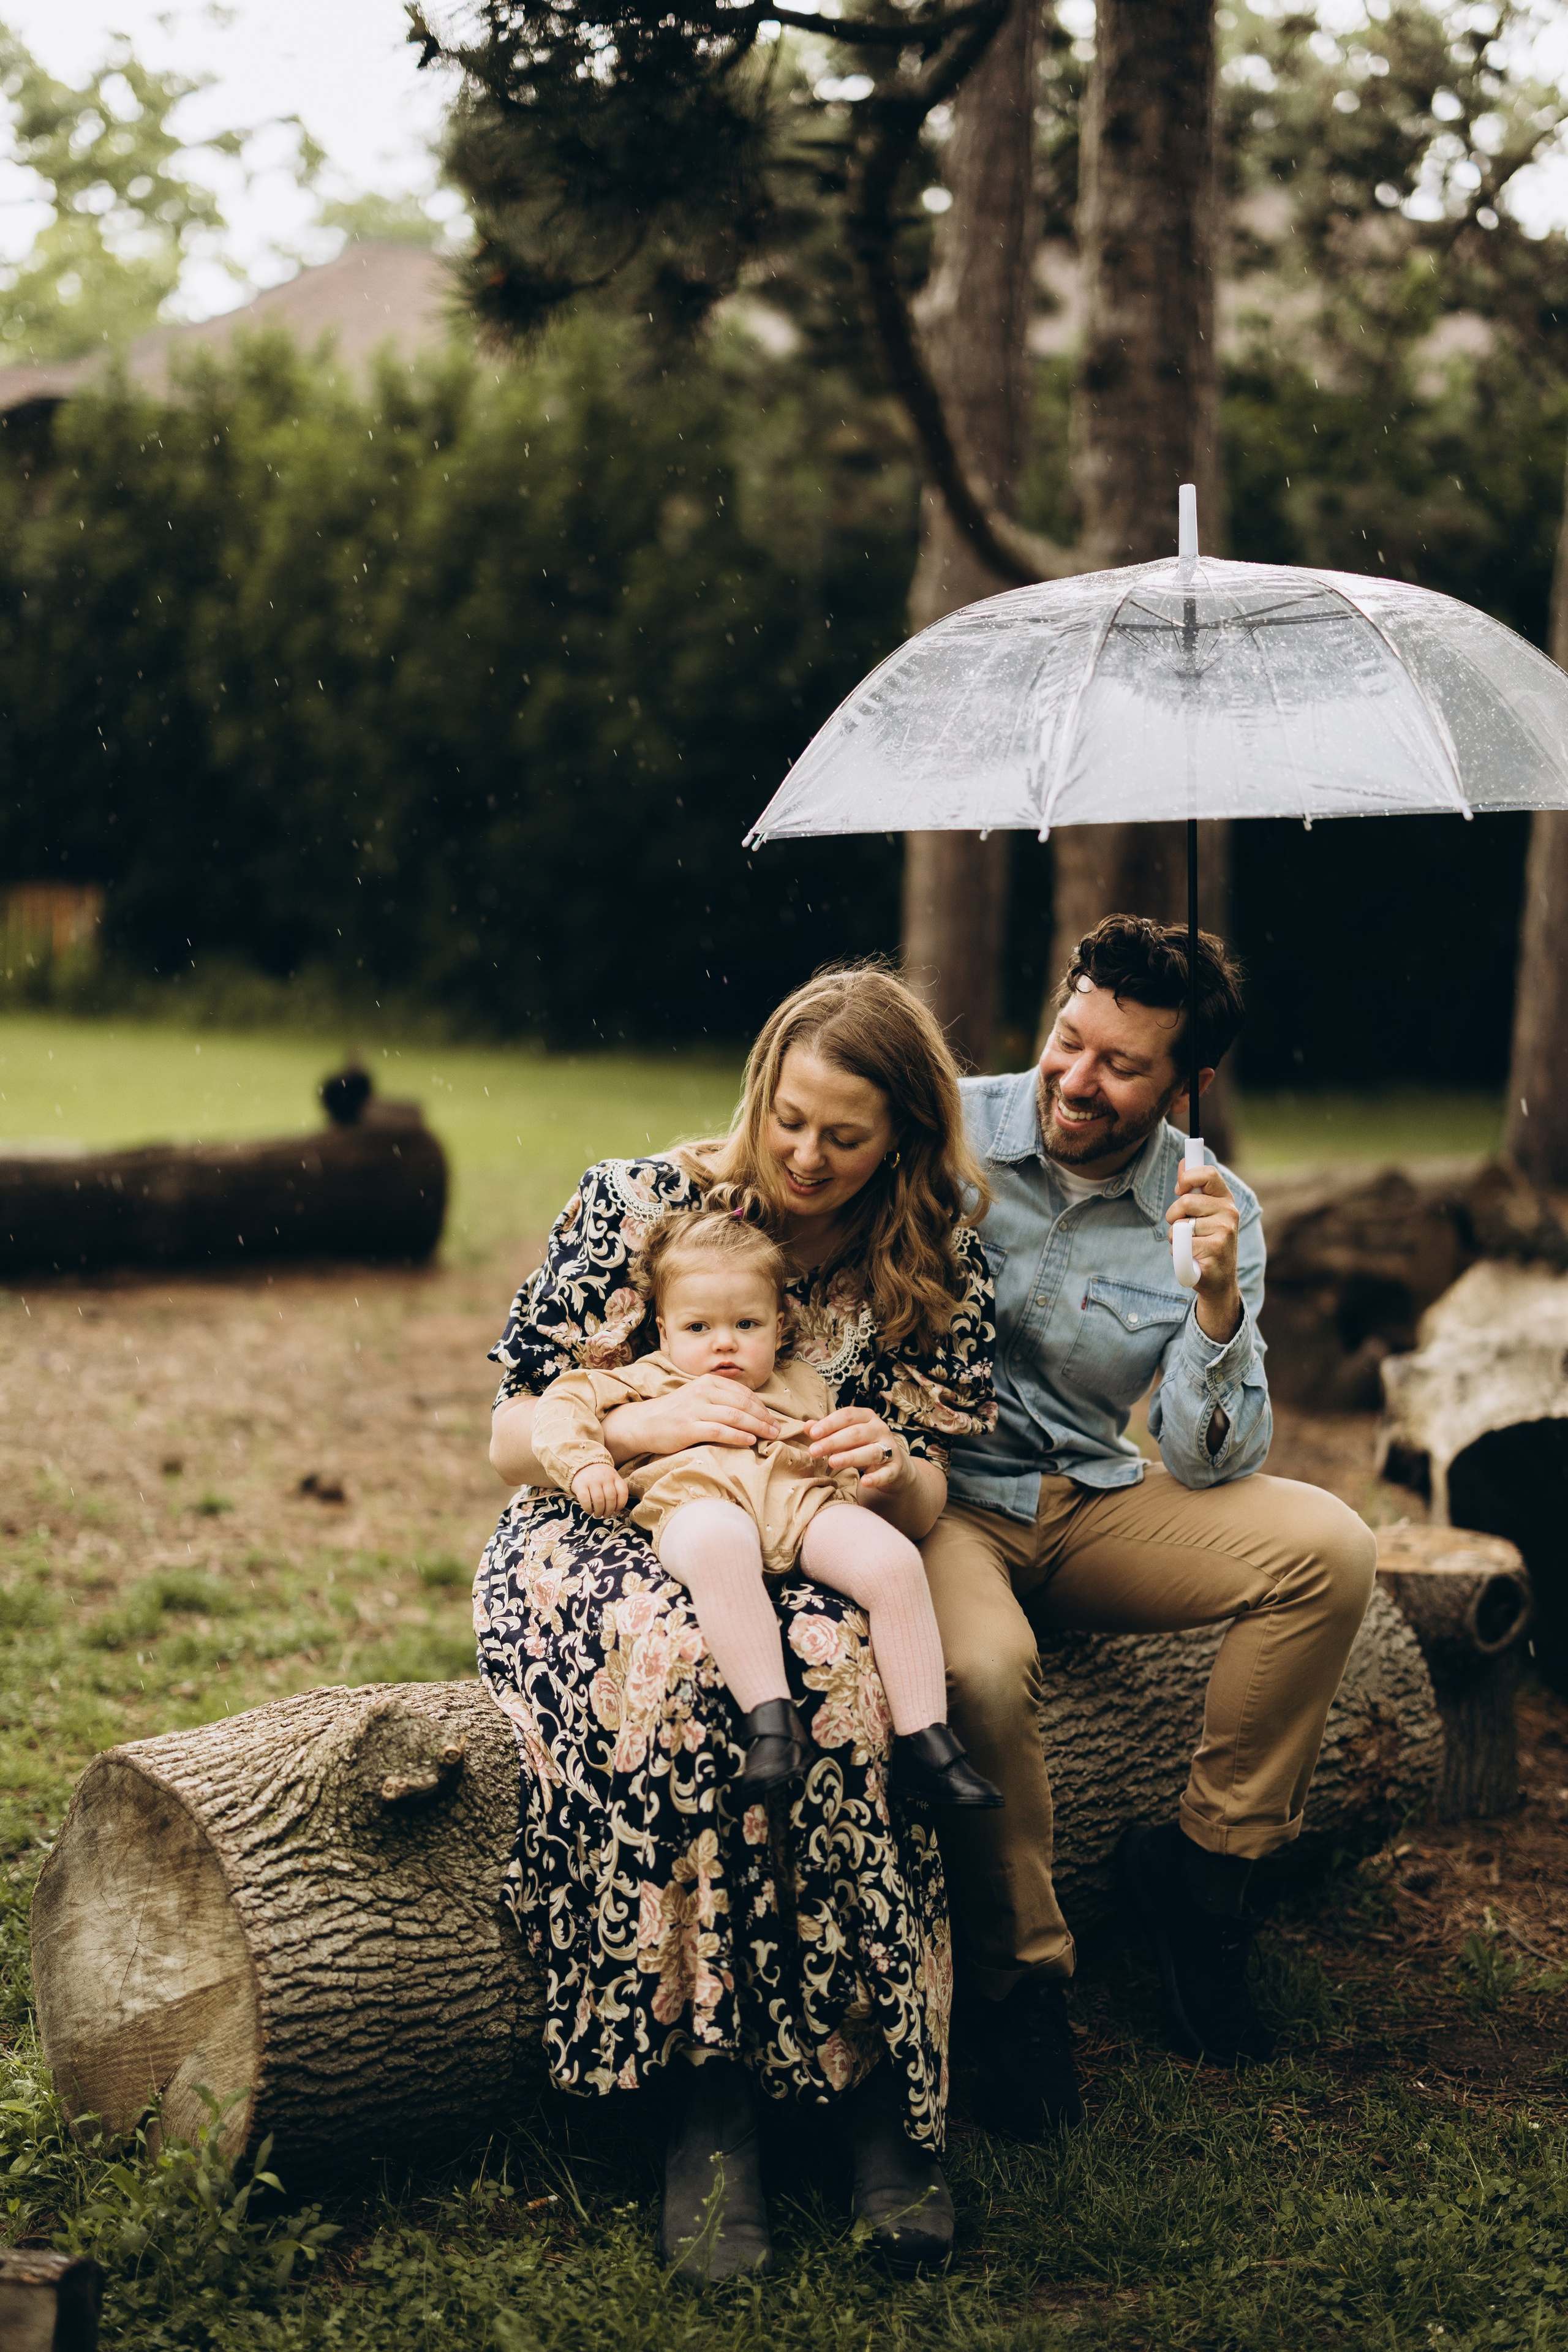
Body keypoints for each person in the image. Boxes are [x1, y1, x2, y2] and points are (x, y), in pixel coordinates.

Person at [477, 966, 997, 2282]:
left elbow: (940, 1482)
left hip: (806, 1521)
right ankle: (702, 2099)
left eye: (846, 1136)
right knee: (680, 1663)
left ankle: (876, 2086)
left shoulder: (926, 1254)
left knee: (838, 1666)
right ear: (758, 1089)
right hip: (603, 1526)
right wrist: (635, 1422)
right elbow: (508, 1430)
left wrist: (892, 1462)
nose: (806, 1158)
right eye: (789, 1121)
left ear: (904, 1141)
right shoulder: (635, 1202)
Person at [924, 914, 1379, 2139]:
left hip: (1086, 1501)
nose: (1076, 1079)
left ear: (1189, 1083)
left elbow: (1201, 1458)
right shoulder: (943, 1123)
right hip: (935, 1502)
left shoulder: (1210, 1205)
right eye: (1068, 1040)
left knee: (1327, 1550)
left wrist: (1218, 1301)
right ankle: (1022, 1986)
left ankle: (1205, 1869)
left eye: (1121, 1066)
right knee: (981, 1666)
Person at [530, 1204, 1001, 1807]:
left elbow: (837, 1463)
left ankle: (928, 1742)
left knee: (891, 1561)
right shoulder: (647, 1379)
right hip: (696, 1505)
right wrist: (589, 1463)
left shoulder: (802, 1382)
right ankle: (771, 1727)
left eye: (746, 1325)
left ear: (780, 1327)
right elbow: (559, 1407)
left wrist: (874, 1471)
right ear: (664, 1331)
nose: (723, 1343)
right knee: (719, 1541)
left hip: (802, 1505)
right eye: (698, 1328)